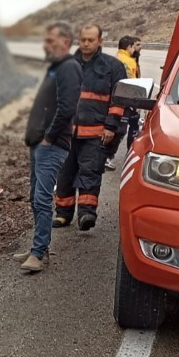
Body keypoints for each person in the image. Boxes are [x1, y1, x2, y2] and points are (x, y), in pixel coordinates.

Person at [16, 21, 80, 274]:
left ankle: (39, 252)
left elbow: (67, 108)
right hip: (40, 144)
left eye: (51, 41)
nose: (46, 45)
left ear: (65, 42)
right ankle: (36, 246)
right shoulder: (57, 67)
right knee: (35, 197)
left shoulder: (69, 68)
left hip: (51, 146)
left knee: (43, 199)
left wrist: (49, 137)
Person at [53, 24, 128, 232]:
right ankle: (63, 214)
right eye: (83, 39)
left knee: (89, 173)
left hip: (96, 133)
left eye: (90, 40)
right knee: (64, 175)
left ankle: (86, 213)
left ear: (100, 41)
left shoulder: (112, 67)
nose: (86, 43)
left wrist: (111, 127)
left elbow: (118, 100)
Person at [108, 35, 143, 169]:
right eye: (135, 46)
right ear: (129, 47)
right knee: (122, 129)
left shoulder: (116, 57)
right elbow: (130, 82)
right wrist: (134, 101)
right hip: (125, 100)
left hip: (118, 98)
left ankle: (110, 155)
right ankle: (110, 156)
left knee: (127, 127)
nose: (137, 49)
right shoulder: (128, 61)